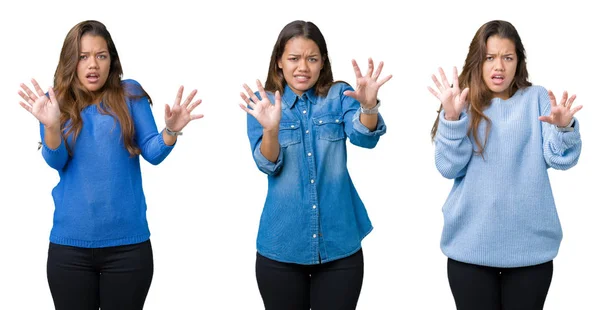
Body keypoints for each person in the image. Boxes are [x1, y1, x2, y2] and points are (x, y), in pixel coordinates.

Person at [17, 20, 203, 310]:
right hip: (70, 249)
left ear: (111, 60)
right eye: (83, 56)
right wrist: (52, 125)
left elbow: (153, 153)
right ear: (71, 61)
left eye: (101, 56)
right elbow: (57, 160)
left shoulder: (129, 93)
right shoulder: (55, 101)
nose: (93, 65)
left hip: (127, 249)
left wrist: (171, 131)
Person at [428, 20, 583, 310]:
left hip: (531, 252)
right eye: (490, 57)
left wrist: (564, 129)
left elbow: (559, 158)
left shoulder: (536, 98)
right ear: (478, 61)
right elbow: (448, 167)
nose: (498, 66)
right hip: (469, 250)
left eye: (507, 57)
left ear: (518, 62)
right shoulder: (462, 102)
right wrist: (451, 120)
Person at [238, 20, 391, 310]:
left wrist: (369, 107)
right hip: (281, 247)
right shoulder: (264, 104)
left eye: (312, 58)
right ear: (279, 63)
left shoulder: (339, 95)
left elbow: (364, 137)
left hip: (339, 246)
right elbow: (268, 165)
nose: (303, 67)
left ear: (323, 63)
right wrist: (271, 128)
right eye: (294, 58)